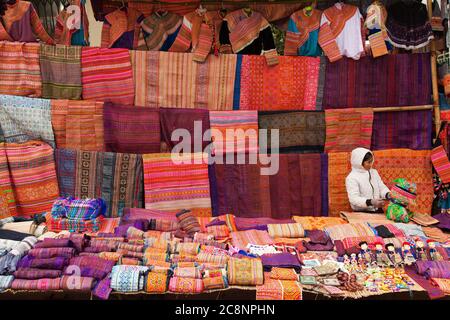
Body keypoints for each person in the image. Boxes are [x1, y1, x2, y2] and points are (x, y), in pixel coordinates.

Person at [346, 147, 391, 213]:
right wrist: (371, 202)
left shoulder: (374, 172)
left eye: (372, 161)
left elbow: (381, 187)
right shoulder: (352, 178)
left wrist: (388, 194)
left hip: (378, 210)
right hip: (362, 212)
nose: (371, 164)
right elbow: (354, 199)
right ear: (359, 162)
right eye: (368, 162)